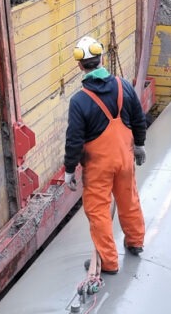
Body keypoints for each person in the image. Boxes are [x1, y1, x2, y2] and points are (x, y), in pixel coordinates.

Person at [63, 36, 147, 275]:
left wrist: (70, 169)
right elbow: (139, 118)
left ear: (80, 65)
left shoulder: (79, 101)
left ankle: (109, 263)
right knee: (129, 199)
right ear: (102, 59)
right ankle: (135, 242)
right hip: (124, 158)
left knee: (98, 210)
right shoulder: (124, 86)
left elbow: (75, 140)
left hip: (98, 167)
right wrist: (139, 145)